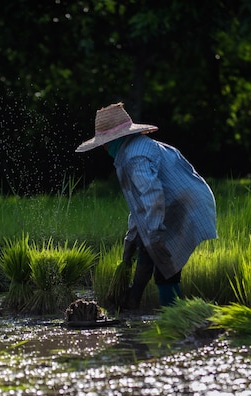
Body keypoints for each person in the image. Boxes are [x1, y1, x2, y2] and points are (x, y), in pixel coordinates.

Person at [76, 102, 217, 308]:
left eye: (104, 143)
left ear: (115, 140)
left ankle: (176, 317)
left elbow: (152, 196)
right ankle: (136, 305)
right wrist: (130, 244)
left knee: (164, 265)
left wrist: (153, 233)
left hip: (185, 206)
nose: (104, 148)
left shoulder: (134, 156)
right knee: (150, 252)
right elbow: (139, 208)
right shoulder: (135, 149)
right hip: (182, 202)